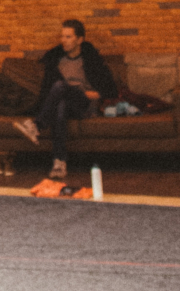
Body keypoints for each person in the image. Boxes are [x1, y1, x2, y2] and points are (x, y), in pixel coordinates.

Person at [15, 18, 117, 184]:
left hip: (84, 104)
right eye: (62, 36)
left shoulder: (90, 59)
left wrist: (88, 93)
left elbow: (109, 90)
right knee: (60, 105)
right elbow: (47, 92)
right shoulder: (57, 61)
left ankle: (37, 126)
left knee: (61, 86)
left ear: (79, 40)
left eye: (68, 37)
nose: (63, 40)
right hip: (65, 103)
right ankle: (59, 163)